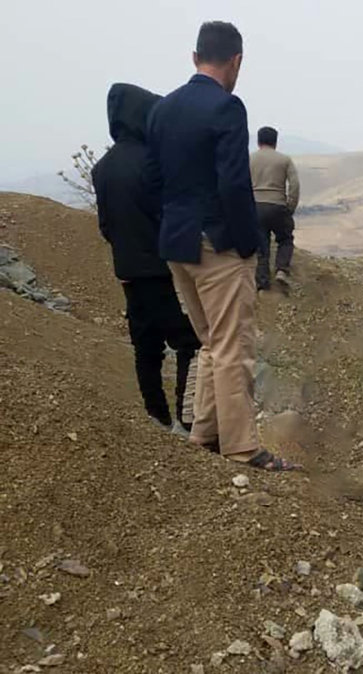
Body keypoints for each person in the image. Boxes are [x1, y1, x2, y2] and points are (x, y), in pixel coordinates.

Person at [147, 21, 298, 471]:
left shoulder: (161, 110)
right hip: (217, 244)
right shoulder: (227, 108)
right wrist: (247, 243)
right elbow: (234, 184)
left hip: (176, 244)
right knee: (234, 346)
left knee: (212, 342)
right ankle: (243, 448)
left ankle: (204, 434)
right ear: (236, 62)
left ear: (195, 58)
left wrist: (174, 225)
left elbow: (152, 181)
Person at [93, 83, 200, 435]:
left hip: (127, 272)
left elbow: (106, 226)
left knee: (146, 346)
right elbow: (168, 216)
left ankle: (156, 418)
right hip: (160, 269)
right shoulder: (152, 162)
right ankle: (186, 423)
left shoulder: (102, 168)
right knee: (189, 342)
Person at [249, 126, 300, 290]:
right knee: (285, 239)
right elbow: (294, 185)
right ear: (276, 142)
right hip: (278, 205)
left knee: (261, 245)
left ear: (258, 141)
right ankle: (281, 270)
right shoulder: (284, 160)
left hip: (255, 207)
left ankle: (262, 284)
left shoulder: (249, 159)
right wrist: (290, 207)